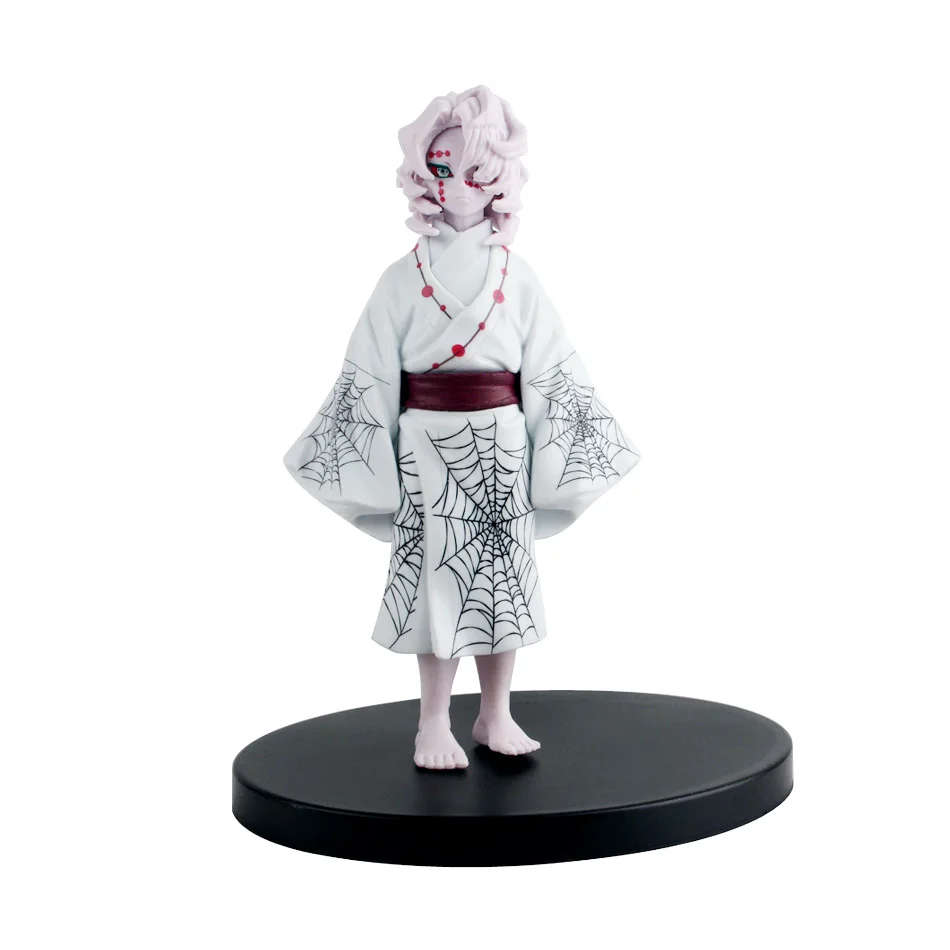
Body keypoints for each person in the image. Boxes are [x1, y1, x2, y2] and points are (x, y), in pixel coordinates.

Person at [284, 86, 639, 769]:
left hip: (503, 442)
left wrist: (565, 456)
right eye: (441, 168)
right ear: (421, 175)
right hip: (423, 442)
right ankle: (432, 722)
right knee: (432, 591)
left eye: (476, 171)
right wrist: (369, 460)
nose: (457, 186)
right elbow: (369, 371)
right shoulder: (399, 279)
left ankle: (495, 712)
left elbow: (551, 367)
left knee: (503, 587)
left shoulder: (518, 276)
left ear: (501, 177)